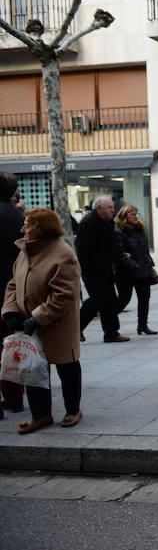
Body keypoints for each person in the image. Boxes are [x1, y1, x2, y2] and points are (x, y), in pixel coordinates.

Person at [2, 208, 83, 433]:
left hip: (57, 325)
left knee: (67, 367)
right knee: (34, 369)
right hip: (28, 325)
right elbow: (13, 284)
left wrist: (36, 318)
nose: (22, 229)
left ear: (41, 227)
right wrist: (10, 311)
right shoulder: (25, 251)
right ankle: (41, 415)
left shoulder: (63, 253)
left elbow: (64, 295)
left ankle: (73, 410)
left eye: (27, 225)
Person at [77, 195, 129, 343]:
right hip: (93, 270)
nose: (113, 210)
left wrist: (118, 254)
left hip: (106, 268)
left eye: (113, 207)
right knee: (97, 300)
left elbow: (109, 244)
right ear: (99, 208)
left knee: (110, 301)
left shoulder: (107, 222)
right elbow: (84, 249)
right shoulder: (88, 222)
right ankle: (75, 329)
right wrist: (98, 263)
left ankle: (111, 333)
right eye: (109, 208)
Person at [0, 171, 25, 417]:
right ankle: (15, 396)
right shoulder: (18, 216)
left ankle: (11, 398)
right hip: (16, 291)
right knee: (12, 346)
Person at [113, 205, 157, 335]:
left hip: (142, 270)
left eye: (137, 214)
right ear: (124, 216)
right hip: (126, 272)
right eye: (132, 214)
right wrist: (133, 265)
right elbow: (119, 253)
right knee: (123, 299)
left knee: (144, 298)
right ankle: (109, 319)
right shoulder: (118, 232)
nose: (136, 216)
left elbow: (144, 251)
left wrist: (149, 264)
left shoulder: (139, 229)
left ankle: (142, 326)